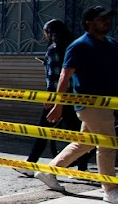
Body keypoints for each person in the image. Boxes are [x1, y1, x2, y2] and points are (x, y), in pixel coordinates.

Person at [36, 6, 118, 204]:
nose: (106, 22)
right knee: (108, 144)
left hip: (108, 102)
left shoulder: (111, 44)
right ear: (89, 23)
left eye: (108, 19)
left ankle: (48, 171)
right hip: (90, 104)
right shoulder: (79, 46)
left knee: (85, 143)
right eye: (102, 19)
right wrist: (58, 105)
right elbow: (64, 76)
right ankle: (110, 189)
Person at [17, 20, 88, 175]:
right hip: (73, 96)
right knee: (76, 133)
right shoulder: (72, 47)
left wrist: (51, 97)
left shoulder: (53, 49)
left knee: (42, 131)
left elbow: (55, 77)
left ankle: (31, 164)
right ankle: (83, 166)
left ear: (49, 33)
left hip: (58, 97)